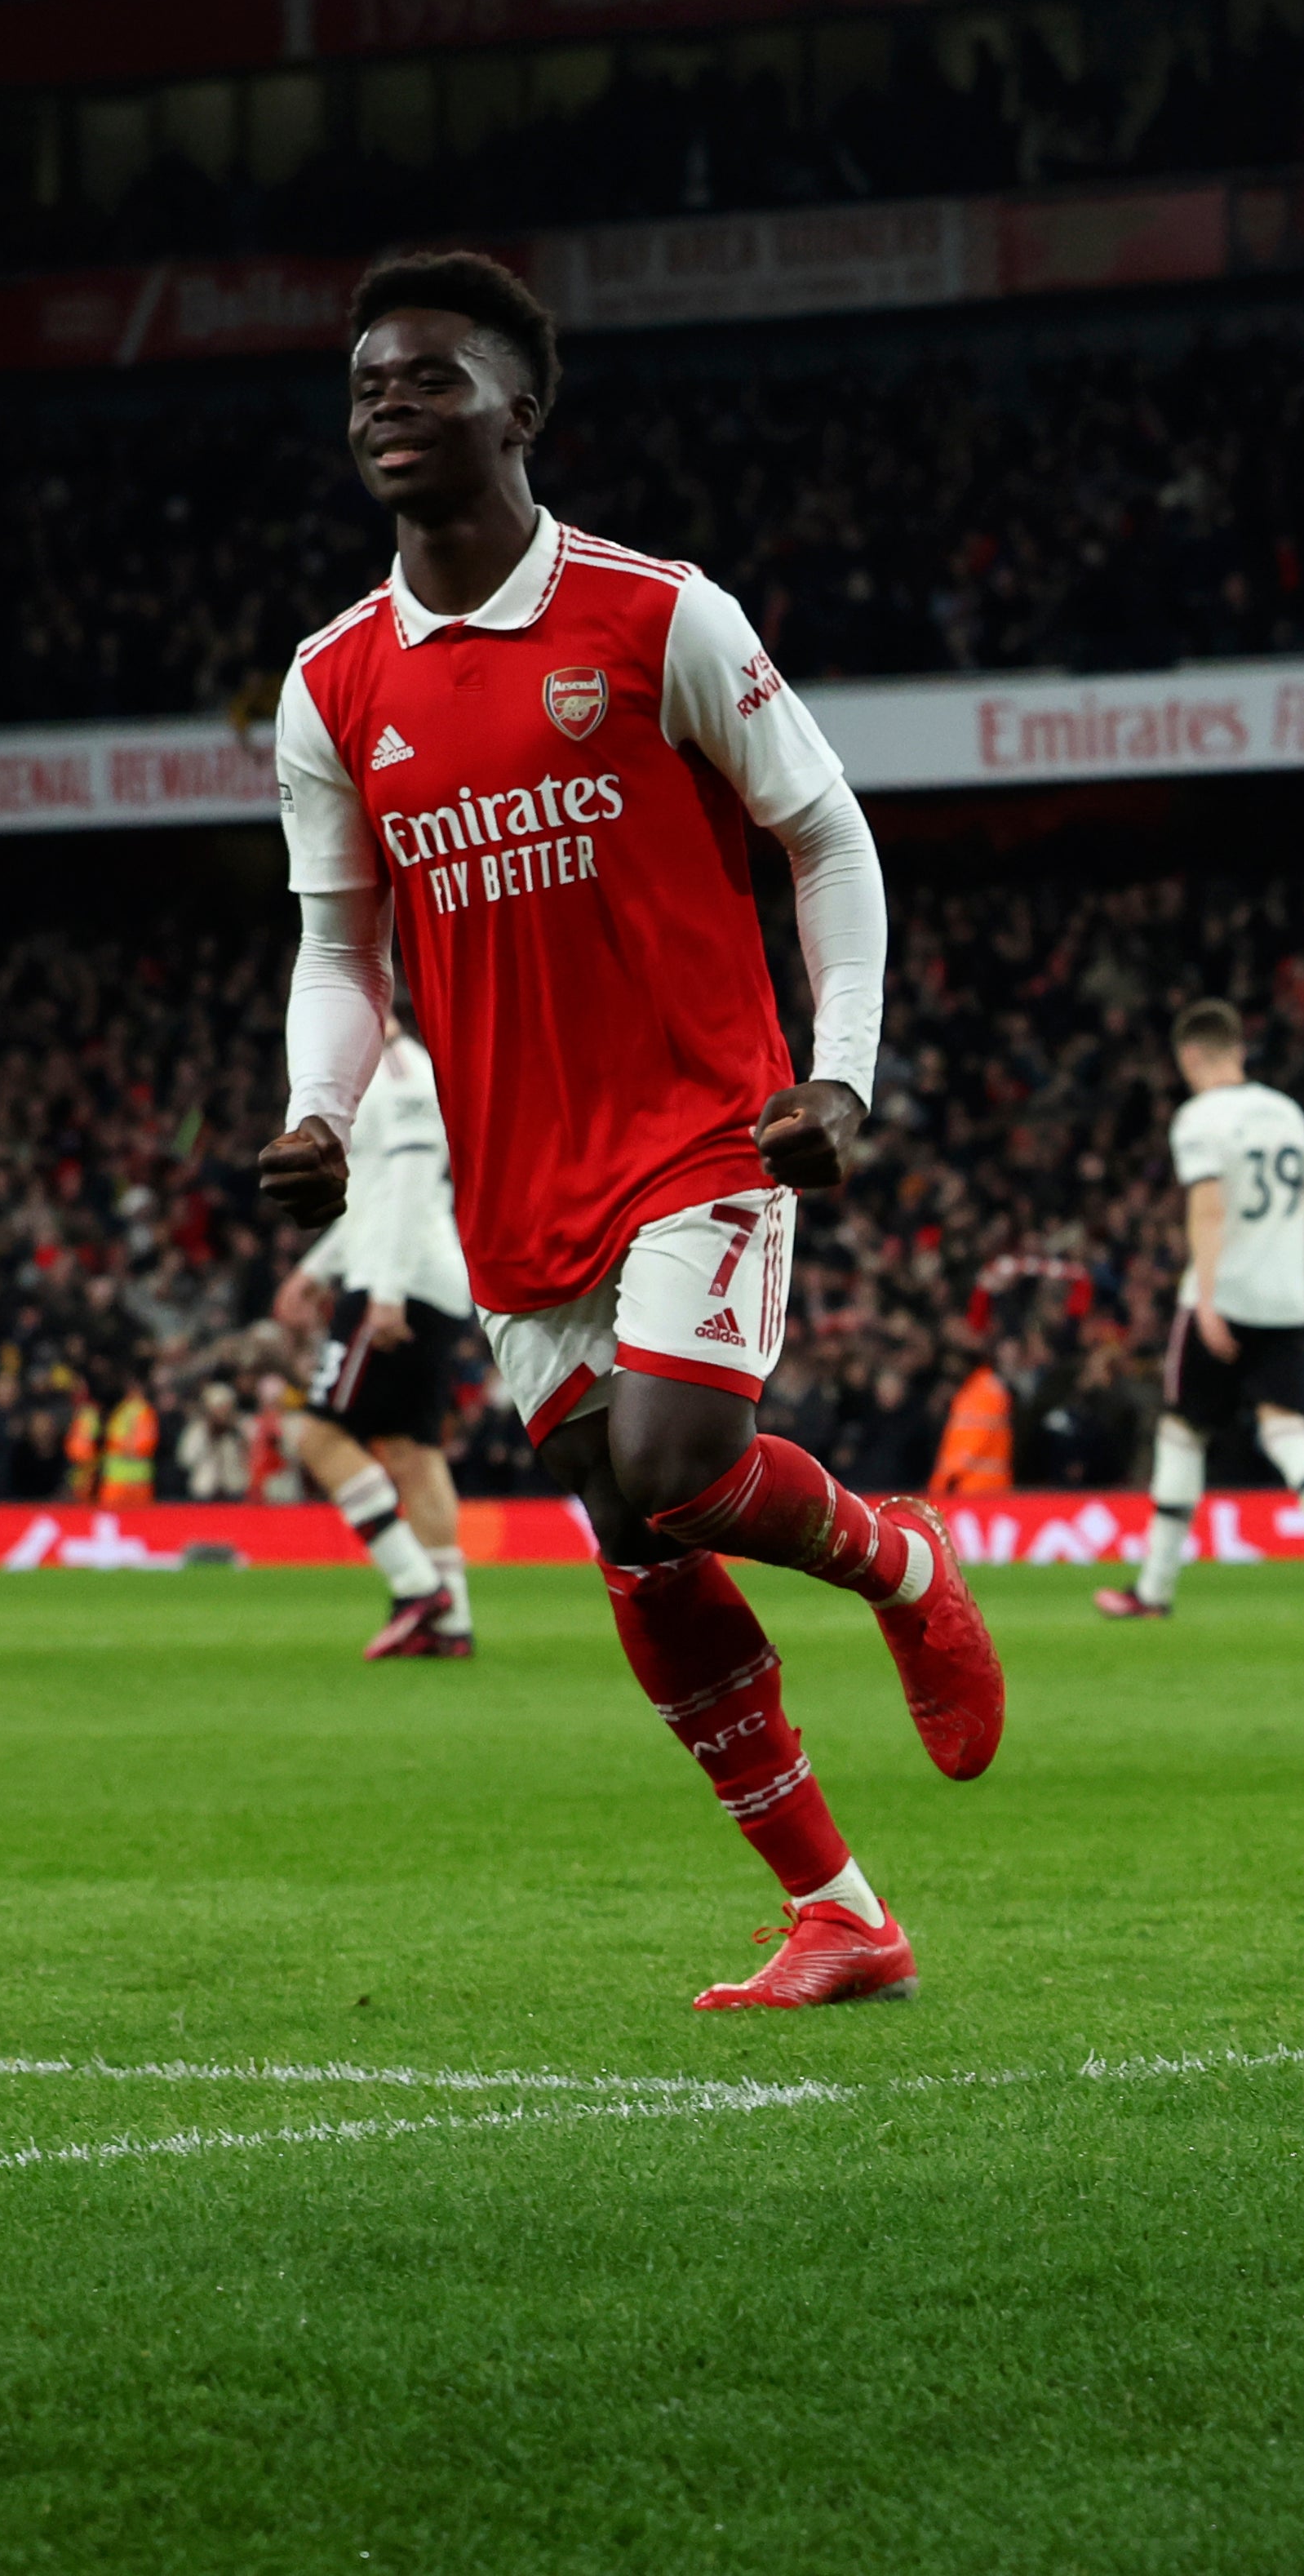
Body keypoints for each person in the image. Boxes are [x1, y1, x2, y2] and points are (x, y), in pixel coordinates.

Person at [259, 248, 1001, 2013]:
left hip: (703, 1123)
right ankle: (841, 1910)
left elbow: (825, 835)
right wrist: (318, 1108)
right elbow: (339, 946)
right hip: (517, 1178)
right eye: (368, 379)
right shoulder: (332, 681)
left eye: (429, 377)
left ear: (522, 409)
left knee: (673, 1463)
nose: (386, 403)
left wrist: (844, 1069)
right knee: (640, 1541)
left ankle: (899, 1555)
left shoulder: (656, 614)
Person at [1098, 1002, 1304, 1620]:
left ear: (1190, 1057)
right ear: (1238, 1048)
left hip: (1224, 1295)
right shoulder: (1290, 1115)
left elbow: (1209, 1208)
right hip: (1287, 1299)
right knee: (1287, 1430)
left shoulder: (1199, 1118)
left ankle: (1154, 1590)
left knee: (1182, 1432)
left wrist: (1210, 1299)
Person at [271, 1006, 480, 1659]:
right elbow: (375, 1195)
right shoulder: (384, 1074)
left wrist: (384, 1295)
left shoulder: (399, 1073)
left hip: (400, 1285)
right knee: (415, 1454)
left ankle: (417, 1588)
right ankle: (450, 1626)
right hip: (425, 1280)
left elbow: (412, 1190)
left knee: (315, 1434)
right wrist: (313, 1270)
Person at [929, 1345, 1018, 1506]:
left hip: (976, 1487)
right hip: (978, 1485)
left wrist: (945, 1479)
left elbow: (974, 1441)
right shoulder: (977, 1390)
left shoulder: (983, 1393)